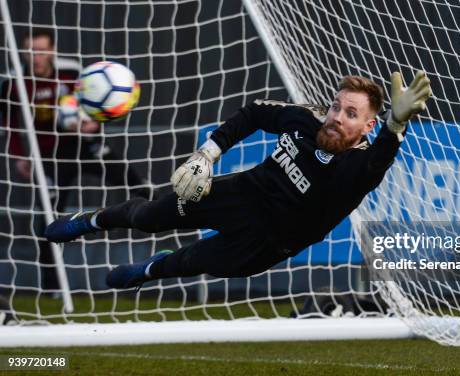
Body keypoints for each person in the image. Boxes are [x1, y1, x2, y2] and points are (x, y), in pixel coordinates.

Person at [44, 70, 432, 289]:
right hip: (242, 193)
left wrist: (395, 125)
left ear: (367, 127)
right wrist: (208, 154)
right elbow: (254, 113)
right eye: (335, 106)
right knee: (148, 216)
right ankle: (91, 221)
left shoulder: (360, 165)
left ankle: (149, 270)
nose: (335, 116)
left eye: (350, 114)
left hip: (268, 242)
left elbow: (380, 158)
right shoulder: (307, 120)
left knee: (188, 261)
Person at [1, 28, 152, 292]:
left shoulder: (73, 72)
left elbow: (94, 102)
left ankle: (167, 215)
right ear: (23, 51)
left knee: (135, 182)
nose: (36, 56)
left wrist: (94, 123)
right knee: (48, 219)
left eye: (42, 50)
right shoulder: (14, 82)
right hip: (49, 156)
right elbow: (10, 123)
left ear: (53, 50)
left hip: (84, 146)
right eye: (30, 50)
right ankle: (52, 289)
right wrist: (19, 157)